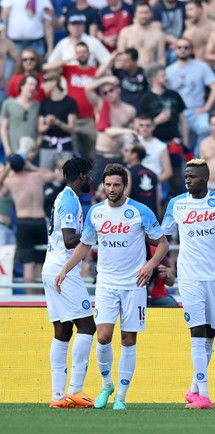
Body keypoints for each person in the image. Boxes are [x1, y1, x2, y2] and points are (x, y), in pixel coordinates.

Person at [54, 164, 169, 411]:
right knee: (103, 336)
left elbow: (162, 243)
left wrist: (150, 266)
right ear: (103, 186)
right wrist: (65, 269)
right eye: (108, 185)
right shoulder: (96, 212)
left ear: (124, 186)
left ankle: (122, 397)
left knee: (128, 339)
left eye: (116, 185)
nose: (112, 189)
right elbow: (85, 245)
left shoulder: (140, 211)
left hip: (134, 285)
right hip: (106, 284)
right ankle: (107, 385)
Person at [162, 159, 215, 409]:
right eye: (186, 176)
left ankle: (194, 389)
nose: (187, 180)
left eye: (193, 176)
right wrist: (161, 264)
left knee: (209, 333)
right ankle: (205, 396)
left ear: (205, 179)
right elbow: (163, 236)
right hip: (189, 276)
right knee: (196, 331)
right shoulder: (176, 203)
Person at [41, 157, 96, 409]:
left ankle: (57, 396)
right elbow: (68, 239)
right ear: (82, 175)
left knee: (63, 331)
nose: (91, 179)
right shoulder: (70, 200)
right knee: (87, 326)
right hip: (63, 268)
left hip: (51, 266)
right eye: (89, 175)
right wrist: (95, 233)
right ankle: (75, 390)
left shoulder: (64, 197)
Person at [0, 154, 57, 287]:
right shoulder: (37, 177)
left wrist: (7, 169)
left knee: (28, 264)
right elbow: (53, 175)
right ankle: (39, 296)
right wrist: (32, 167)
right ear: (24, 164)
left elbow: (1, 190)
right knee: (39, 263)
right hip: (40, 222)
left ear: (12, 167)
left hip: (24, 223)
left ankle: (31, 295)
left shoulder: (11, 181)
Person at [166, 38, 215, 152]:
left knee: (207, 128)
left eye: (186, 47)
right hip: (178, 114)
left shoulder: (201, 66)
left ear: (191, 50)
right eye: (179, 47)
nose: (182, 50)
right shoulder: (168, 71)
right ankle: (183, 160)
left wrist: (207, 107)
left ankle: (196, 157)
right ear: (175, 50)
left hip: (197, 112)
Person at [45, 42, 97, 160]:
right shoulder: (70, 69)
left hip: (89, 119)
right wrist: (70, 59)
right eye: (79, 52)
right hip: (72, 118)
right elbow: (47, 67)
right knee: (73, 155)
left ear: (89, 53)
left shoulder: (94, 71)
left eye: (84, 52)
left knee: (92, 155)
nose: (82, 55)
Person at [85, 75, 136, 185]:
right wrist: (106, 79)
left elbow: (135, 130)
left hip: (119, 154)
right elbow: (87, 88)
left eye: (111, 90)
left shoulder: (130, 110)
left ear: (118, 89)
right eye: (105, 93)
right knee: (95, 186)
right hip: (101, 153)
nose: (109, 94)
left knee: (117, 186)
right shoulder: (100, 104)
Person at [38, 71, 78, 170]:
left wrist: (57, 122)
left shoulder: (70, 102)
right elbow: (40, 129)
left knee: (67, 177)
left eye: (45, 82)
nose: (42, 86)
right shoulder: (44, 103)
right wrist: (49, 124)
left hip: (65, 146)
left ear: (54, 82)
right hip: (47, 146)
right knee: (44, 176)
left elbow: (72, 129)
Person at [0, 74, 40, 155]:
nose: (33, 88)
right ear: (22, 86)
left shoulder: (38, 106)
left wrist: (35, 151)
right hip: (12, 152)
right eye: (30, 84)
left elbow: (40, 131)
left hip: (31, 154)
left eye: (35, 86)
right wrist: (7, 149)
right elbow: (3, 129)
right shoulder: (8, 103)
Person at [117, 3, 166, 67]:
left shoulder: (158, 34)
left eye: (146, 13)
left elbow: (161, 58)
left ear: (151, 14)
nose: (143, 16)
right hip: (130, 70)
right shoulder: (126, 32)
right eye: (140, 13)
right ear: (135, 14)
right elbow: (120, 55)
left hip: (149, 69)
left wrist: (162, 70)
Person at [123, 143, 159, 216]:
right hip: (151, 216)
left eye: (126, 151)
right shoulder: (153, 174)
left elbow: (124, 197)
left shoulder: (127, 172)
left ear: (134, 155)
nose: (124, 153)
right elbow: (158, 201)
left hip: (134, 216)